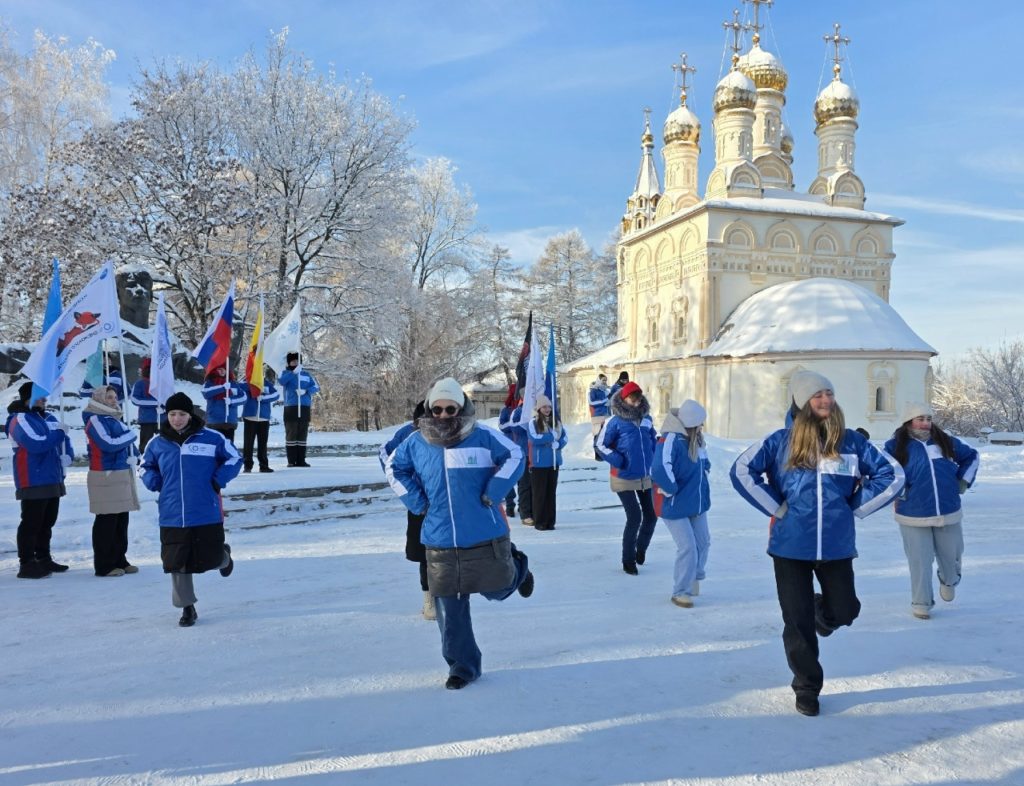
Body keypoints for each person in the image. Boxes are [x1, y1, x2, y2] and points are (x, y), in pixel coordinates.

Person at [730, 371, 905, 717]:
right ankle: (807, 687)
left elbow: (893, 474)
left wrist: (856, 506)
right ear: (801, 402)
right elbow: (740, 471)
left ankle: (822, 617)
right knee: (797, 622)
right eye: (817, 395)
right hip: (790, 545)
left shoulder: (851, 442)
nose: (826, 400)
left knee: (845, 610)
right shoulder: (781, 441)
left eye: (829, 393)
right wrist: (777, 507)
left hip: (836, 545)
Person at [385, 377, 534, 690]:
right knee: (448, 609)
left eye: (450, 408)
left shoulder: (481, 436)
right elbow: (392, 467)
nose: (443, 415)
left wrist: (494, 490)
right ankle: (462, 666)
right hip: (439, 539)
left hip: (482, 531)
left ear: (461, 407)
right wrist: (415, 500)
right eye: (436, 409)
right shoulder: (416, 442)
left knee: (497, 589)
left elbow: (517, 456)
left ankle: (519, 568)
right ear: (429, 409)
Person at [141, 391, 241, 627]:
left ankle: (224, 559)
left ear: (190, 415)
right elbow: (144, 466)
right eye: (173, 414)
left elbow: (235, 459)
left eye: (182, 414)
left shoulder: (211, 438)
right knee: (178, 563)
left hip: (205, 510)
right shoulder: (157, 443)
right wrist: (153, 481)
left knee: (212, 558)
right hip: (172, 514)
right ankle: (187, 608)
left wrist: (218, 480)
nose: (177, 419)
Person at [884, 402, 979, 620]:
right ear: (909, 422)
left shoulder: (945, 441)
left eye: (928, 419)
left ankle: (949, 580)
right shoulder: (895, 447)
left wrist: (963, 481)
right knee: (919, 560)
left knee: (952, 555)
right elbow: (884, 472)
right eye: (920, 419)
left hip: (948, 510)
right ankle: (921, 603)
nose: (925, 423)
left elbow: (972, 456)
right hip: (913, 512)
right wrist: (899, 491)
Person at [6, 381, 74, 578]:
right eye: (40, 396)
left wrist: (67, 454)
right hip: (33, 477)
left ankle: (43, 558)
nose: (45, 400)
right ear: (28, 398)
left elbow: (65, 440)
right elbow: (35, 444)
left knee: (47, 522)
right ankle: (26, 563)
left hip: (53, 476)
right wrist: (60, 433)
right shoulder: (19, 419)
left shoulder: (48, 416)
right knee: (31, 522)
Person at [652, 399, 711, 608]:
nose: (702, 426)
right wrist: (671, 489)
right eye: (700, 423)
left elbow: (703, 464)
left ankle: (693, 576)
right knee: (688, 547)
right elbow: (659, 468)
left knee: (703, 543)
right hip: (675, 504)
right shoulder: (671, 440)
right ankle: (680, 591)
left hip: (696, 502)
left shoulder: (696, 440)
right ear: (692, 423)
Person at [596, 380, 658, 575]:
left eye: (639, 398)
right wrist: (619, 460)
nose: (637, 401)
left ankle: (641, 549)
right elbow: (600, 445)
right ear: (624, 399)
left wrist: (654, 461)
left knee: (651, 515)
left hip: (644, 476)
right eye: (633, 398)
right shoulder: (614, 422)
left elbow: (652, 442)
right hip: (623, 476)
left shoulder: (647, 419)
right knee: (635, 517)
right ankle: (628, 560)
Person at [378, 400, 433, 620]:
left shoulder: (447, 434)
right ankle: (429, 598)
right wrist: (409, 491)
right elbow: (385, 455)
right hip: (419, 504)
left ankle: (450, 595)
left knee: (448, 551)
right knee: (424, 553)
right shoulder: (407, 435)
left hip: (444, 502)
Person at [83, 385, 140, 577]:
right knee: (107, 521)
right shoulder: (95, 419)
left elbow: (128, 444)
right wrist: (129, 435)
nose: (114, 400)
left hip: (121, 473)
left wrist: (135, 454)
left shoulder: (113, 418)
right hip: (105, 474)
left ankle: (119, 559)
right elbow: (107, 444)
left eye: (115, 397)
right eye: (109, 397)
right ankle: (104, 564)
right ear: (99, 399)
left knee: (121, 520)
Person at [527, 394, 568, 531]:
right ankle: (540, 521)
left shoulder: (556, 422)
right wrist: (551, 437)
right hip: (539, 463)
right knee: (540, 494)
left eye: (549, 406)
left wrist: (560, 444)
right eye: (544, 406)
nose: (547, 409)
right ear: (539, 408)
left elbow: (564, 437)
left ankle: (550, 521)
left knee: (551, 493)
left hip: (554, 462)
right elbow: (534, 438)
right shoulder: (533, 423)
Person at [279, 352, 320, 467]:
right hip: (291, 407)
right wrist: (293, 373)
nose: (295, 363)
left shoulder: (306, 374)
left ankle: (301, 460)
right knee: (291, 433)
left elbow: (316, 387)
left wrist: (306, 391)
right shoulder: (285, 373)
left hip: (304, 407)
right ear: (289, 362)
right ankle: (291, 461)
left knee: (302, 434)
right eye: (292, 361)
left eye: (297, 361)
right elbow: (282, 381)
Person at [242, 370, 280, 473]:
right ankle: (247, 465)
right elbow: (240, 389)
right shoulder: (246, 383)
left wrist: (263, 398)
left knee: (263, 443)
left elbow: (276, 395)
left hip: (263, 417)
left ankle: (263, 465)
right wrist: (250, 384)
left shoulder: (267, 384)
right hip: (250, 417)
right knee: (248, 443)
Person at [508, 397, 534, 526]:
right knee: (524, 485)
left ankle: (534, 510)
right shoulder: (518, 411)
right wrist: (527, 423)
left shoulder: (538, 409)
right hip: (524, 453)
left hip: (537, 455)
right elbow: (513, 427)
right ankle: (525, 514)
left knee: (535, 486)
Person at [202, 365, 244, 445]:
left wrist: (231, 401)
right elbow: (206, 393)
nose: (222, 371)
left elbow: (243, 397)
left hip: (230, 423)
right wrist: (222, 387)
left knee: (228, 448)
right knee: (214, 448)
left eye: (224, 369)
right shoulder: (210, 382)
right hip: (214, 422)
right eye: (219, 369)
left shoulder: (233, 383)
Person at [130, 358, 160, 453]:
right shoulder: (140, 384)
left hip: (162, 418)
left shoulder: (162, 383)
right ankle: (144, 462)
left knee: (164, 443)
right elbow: (135, 399)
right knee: (146, 444)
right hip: (147, 419)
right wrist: (155, 403)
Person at [497, 384, 518, 516]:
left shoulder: (525, 409)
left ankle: (525, 506)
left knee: (524, 481)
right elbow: (502, 426)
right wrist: (513, 423)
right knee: (509, 476)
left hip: (523, 446)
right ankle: (510, 504)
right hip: (509, 447)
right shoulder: (506, 410)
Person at [589, 374, 610, 460]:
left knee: (605, 435)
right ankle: (597, 455)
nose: (604, 382)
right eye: (603, 380)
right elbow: (592, 403)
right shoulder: (593, 391)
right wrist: (604, 401)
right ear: (599, 380)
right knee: (597, 435)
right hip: (597, 416)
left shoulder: (605, 390)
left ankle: (603, 454)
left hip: (606, 416)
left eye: (605, 380)